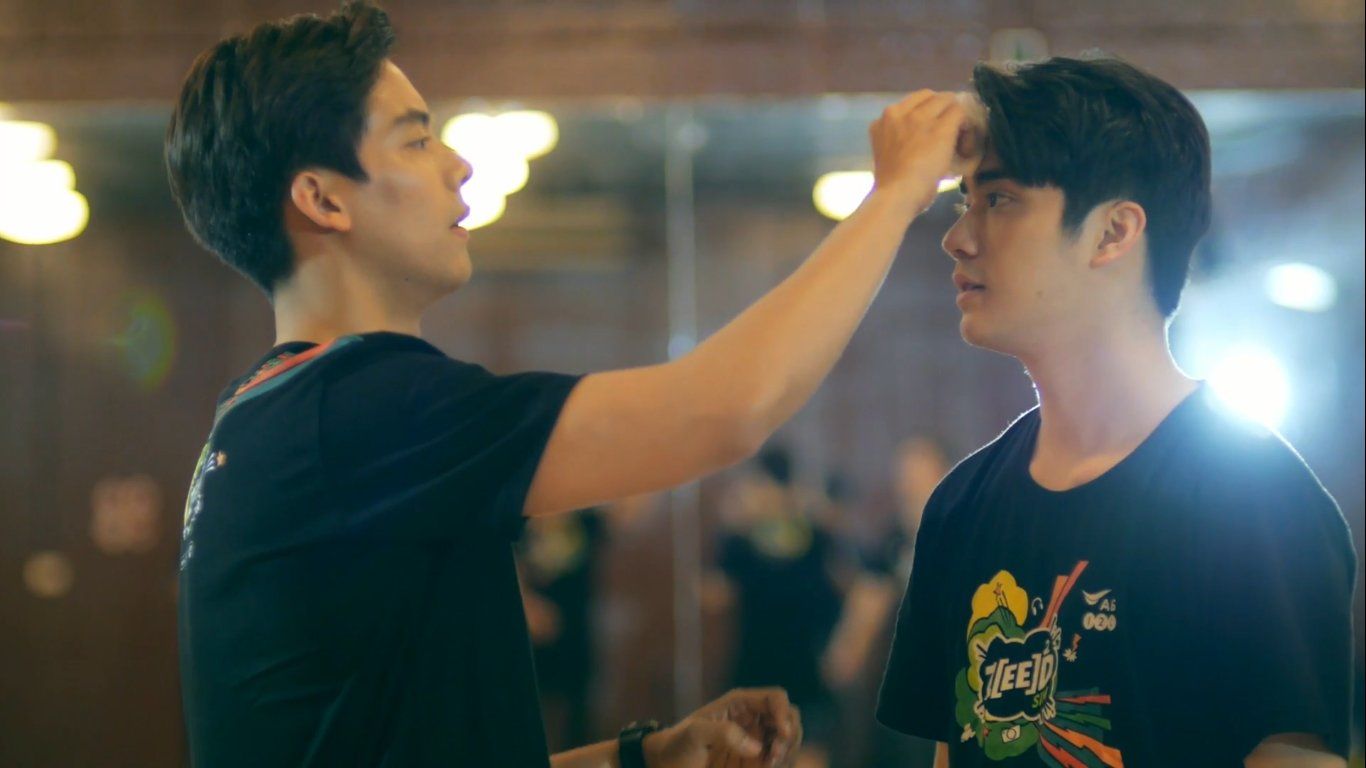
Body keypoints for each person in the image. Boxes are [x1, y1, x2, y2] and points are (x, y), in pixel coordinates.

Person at [165, 1, 986, 765]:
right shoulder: (356, 411)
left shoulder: (268, 413)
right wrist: (896, 193)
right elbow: (722, 410)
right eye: (415, 141)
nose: (458, 164)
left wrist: (643, 756)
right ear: (322, 198)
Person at [875, 56, 1357, 767]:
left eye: (999, 200)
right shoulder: (961, 505)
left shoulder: (1256, 497)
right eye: (963, 203)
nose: (958, 238)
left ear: (1112, 232)